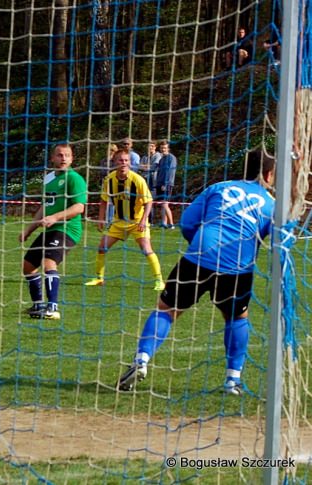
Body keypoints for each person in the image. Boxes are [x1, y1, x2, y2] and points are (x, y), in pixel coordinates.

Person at [117, 150, 275, 395]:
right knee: (237, 317)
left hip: (200, 254)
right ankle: (233, 380)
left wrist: (199, 245)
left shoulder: (218, 187)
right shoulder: (270, 203)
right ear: (269, 174)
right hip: (237, 265)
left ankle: (141, 360)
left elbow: (188, 222)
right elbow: (276, 241)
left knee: (167, 309)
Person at [19, 143, 86, 320]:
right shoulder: (49, 178)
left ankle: (52, 308)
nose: (63, 158)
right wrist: (29, 230)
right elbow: (45, 207)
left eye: (67, 155)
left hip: (67, 229)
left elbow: (79, 208)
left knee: (49, 263)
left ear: (72, 159)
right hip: (50, 228)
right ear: (52, 158)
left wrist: (55, 218)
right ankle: (38, 305)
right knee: (28, 266)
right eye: (59, 155)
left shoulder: (74, 179)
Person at [85, 148, 164, 291]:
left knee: (146, 249)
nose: (123, 163)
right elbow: (104, 201)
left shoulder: (138, 180)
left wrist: (143, 221)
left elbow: (149, 202)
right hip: (118, 221)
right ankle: (99, 278)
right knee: (102, 248)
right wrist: (101, 219)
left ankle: (159, 280)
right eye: (120, 160)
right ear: (114, 162)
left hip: (137, 221)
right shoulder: (109, 179)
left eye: (126, 160)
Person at [154, 141, 177, 228]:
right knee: (161, 204)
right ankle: (164, 223)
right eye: (161, 148)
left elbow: (170, 171)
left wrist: (165, 184)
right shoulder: (161, 159)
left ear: (168, 149)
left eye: (164, 148)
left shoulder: (171, 158)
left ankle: (171, 224)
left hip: (166, 184)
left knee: (165, 203)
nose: (163, 149)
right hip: (159, 184)